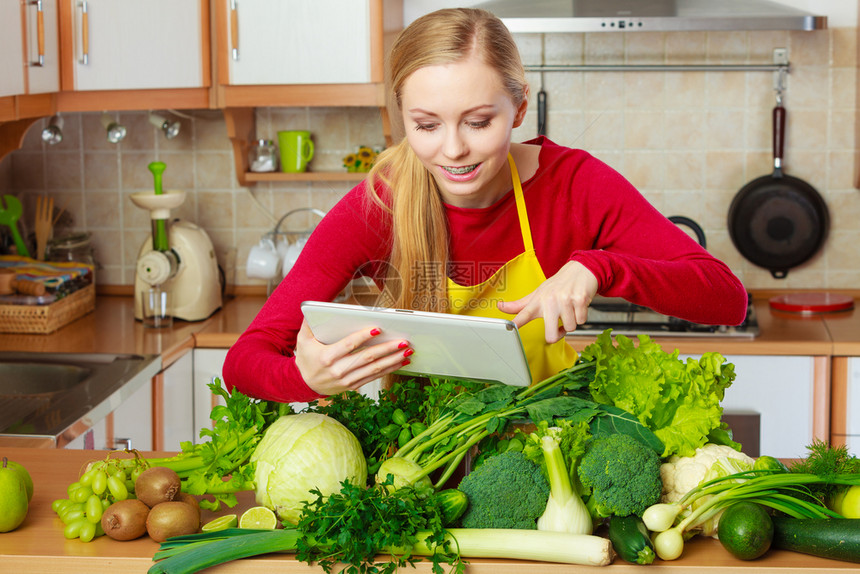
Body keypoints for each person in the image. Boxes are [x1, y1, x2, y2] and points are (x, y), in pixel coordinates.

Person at [223, 8, 748, 404]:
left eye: (478, 122)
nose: (453, 149)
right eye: (426, 125)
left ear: (518, 109)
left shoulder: (573, 184)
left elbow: (727, 299)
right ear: (401, 118)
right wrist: (305, 379)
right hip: (427, 467)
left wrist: (598, 266)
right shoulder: (383, 202)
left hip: (549, 448)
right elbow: (245, 358)